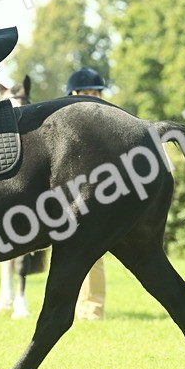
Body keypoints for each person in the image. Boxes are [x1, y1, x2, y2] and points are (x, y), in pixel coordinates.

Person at [66, 68, 110, 321]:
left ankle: (93, 309)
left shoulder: (107, 121)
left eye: (95, 92)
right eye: (87, 93)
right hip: (68, 195)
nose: (92, 96)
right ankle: (78, 306)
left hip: (97, 194)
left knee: (93, 253)